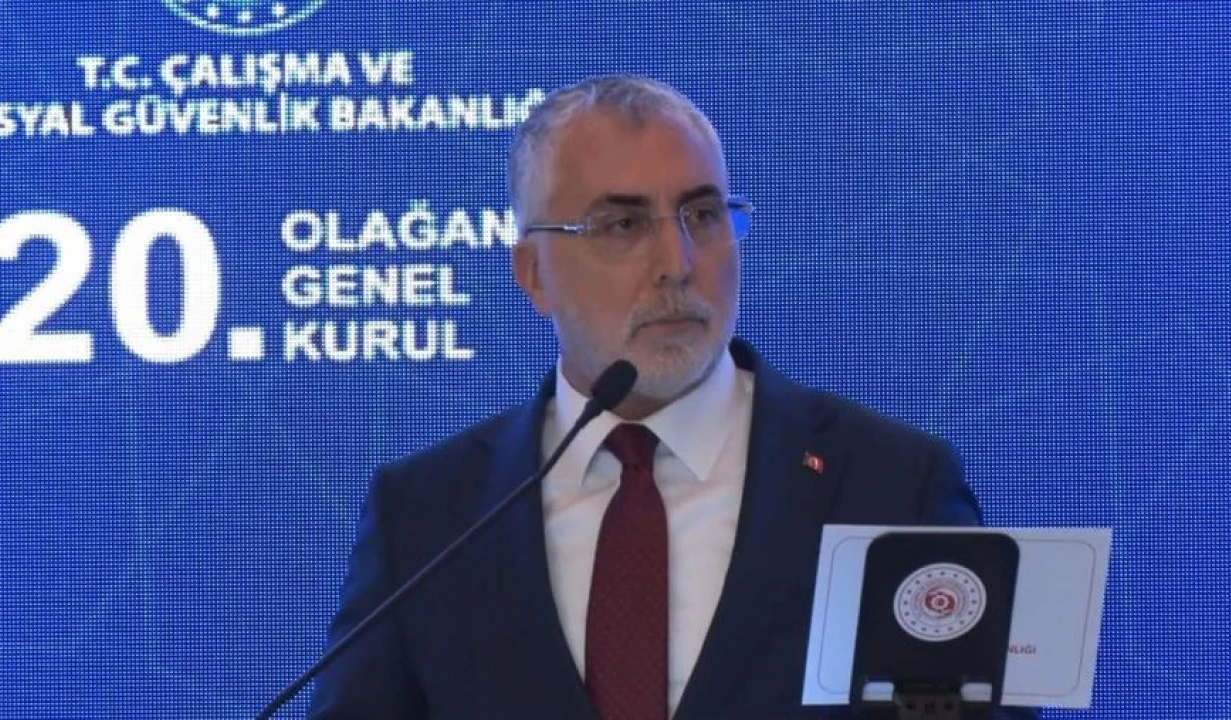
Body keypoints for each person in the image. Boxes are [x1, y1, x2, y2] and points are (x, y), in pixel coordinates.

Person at [309, 75, 1036, 719]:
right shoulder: (429, 518)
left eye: (703, 216)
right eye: (623, 225)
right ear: (533, 274)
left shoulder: (893, 485)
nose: (677, 264)